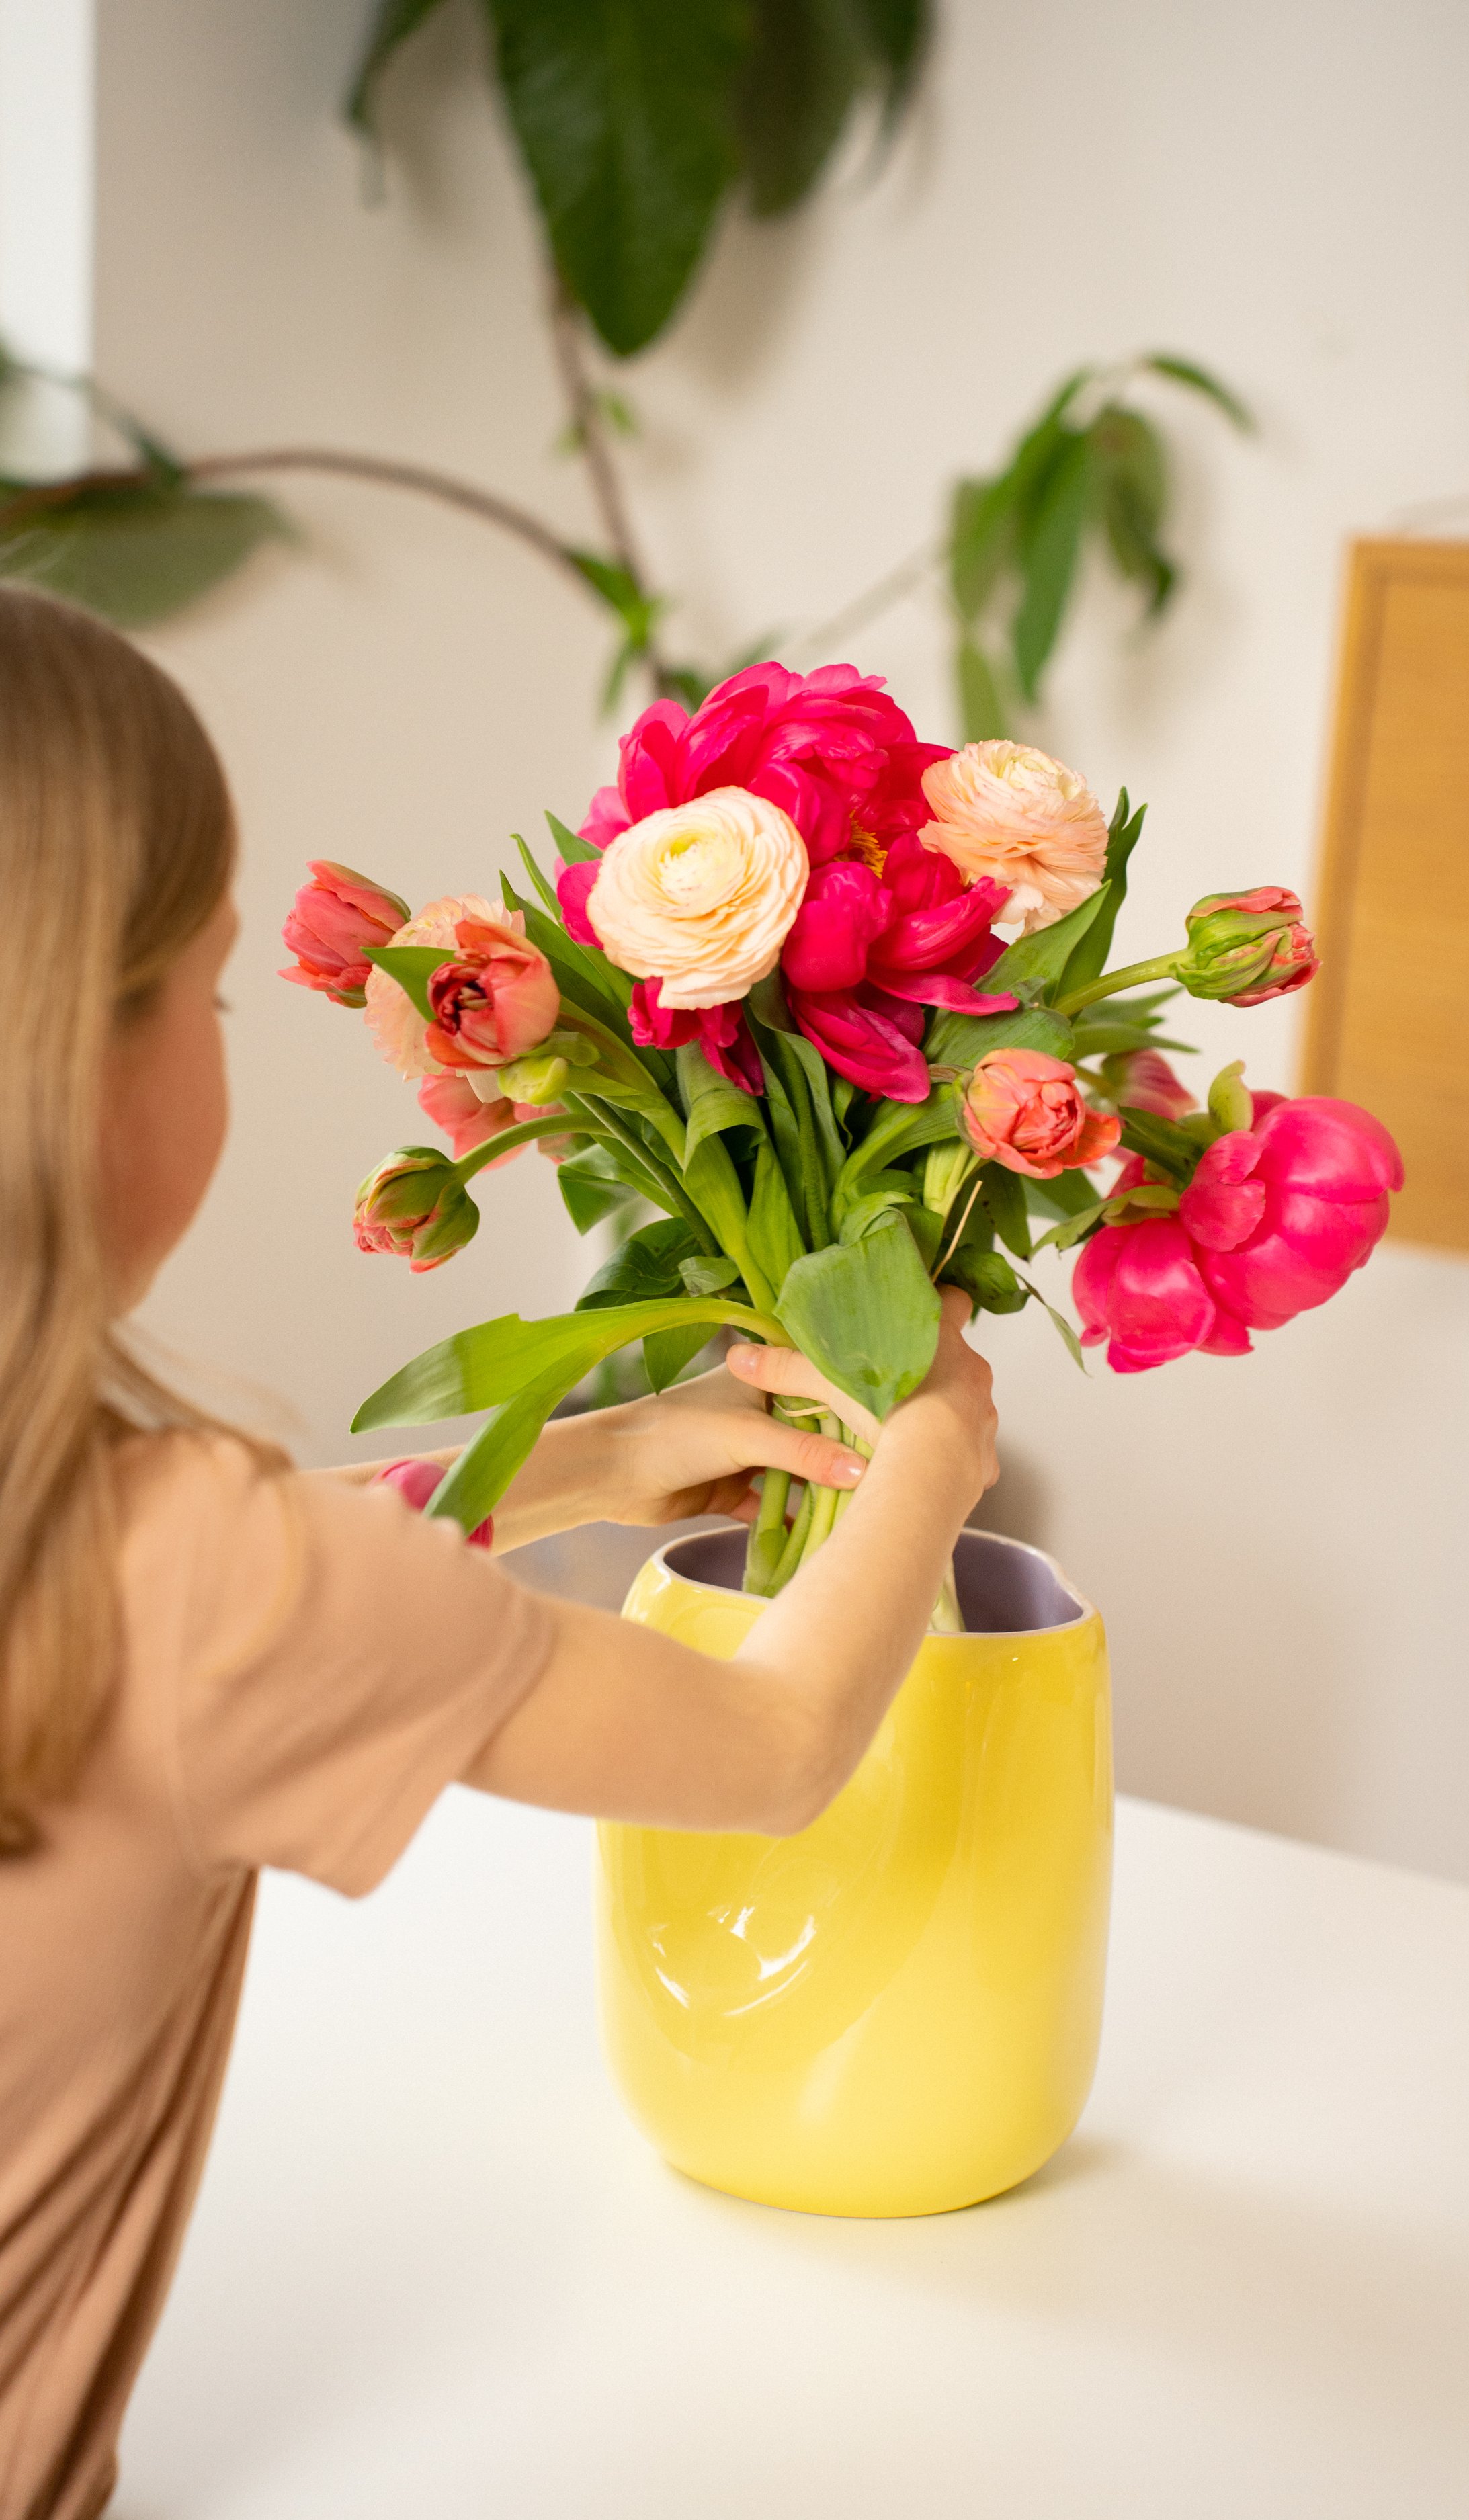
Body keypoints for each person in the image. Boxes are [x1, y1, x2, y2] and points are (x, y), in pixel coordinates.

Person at [0, 586, 998, 2520]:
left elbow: (206, 1613)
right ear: (77, 1061)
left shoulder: (162, 1565)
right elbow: (775, 1746)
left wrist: (580, 1460)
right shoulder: (207, 1580)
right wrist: (937, 1448)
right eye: (206, 994)